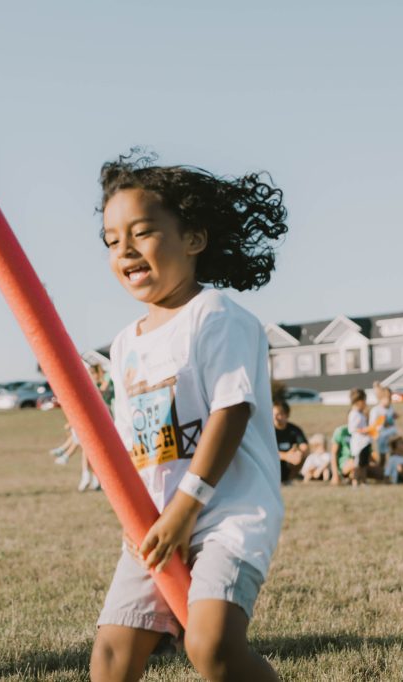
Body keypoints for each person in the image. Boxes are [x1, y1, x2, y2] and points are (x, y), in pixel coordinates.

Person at [90, 152, 287, 681]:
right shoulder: (124, 344)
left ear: (194, 239)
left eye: (143, 232)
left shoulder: (216, 316)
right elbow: (136, 442)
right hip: (155, 524)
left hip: (226, 513)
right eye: (112, 240)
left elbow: (232, 412)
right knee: (111, 658)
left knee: (212, 646)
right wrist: (142, 516)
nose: (125, 249)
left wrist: (186, 507)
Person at [273, 399, 308, 484]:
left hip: (290, 463)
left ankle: (289, 480)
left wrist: (299, 453)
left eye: (278, 414)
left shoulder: (294, 430)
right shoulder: (268, 431)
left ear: (287, 415)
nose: (275, 417)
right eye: (273, 414)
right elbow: (266, 452)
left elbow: (304, 446)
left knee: (301, 456)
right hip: (274, 463)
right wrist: (286, 456)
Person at [347, 388, 374, 487]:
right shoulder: (354, 414)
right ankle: (355, 481)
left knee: (363, 464)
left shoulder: (360, 414)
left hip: (364, 442)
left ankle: (363, 481)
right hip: (359, 444)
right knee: (357, 464)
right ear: (359, 401)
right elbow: (352, 428)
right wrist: (364, 430)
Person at [369, 382, 398, 467]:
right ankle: (381, 472)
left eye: (391, 399)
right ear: (381, 398)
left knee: (394, 455)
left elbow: (391, 420)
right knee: (383, 456)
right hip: (382, 437)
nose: (390, 401)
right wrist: (382, 424)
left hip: (392, 435)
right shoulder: (375, 410)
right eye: (388, 399)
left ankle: (393, 471)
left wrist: (394, 416)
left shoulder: (390, 408)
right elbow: (372, 425)